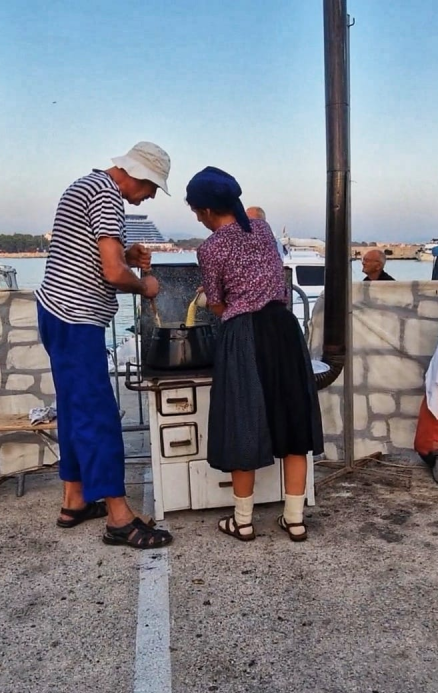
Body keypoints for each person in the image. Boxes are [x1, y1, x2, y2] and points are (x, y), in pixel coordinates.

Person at [37, 141, 174, 550]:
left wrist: (128, 252)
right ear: (137, 175)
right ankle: (118, 517)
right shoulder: (108, 196)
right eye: (152, 187)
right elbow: (113, 273)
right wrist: (144, 283)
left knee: (76, 409)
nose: (149, 196)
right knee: (97, 414)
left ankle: (75, 501)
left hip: (55, 310)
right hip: (76, 316)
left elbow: (95, 253)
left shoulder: (86, 185)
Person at [189, 167, 324, 542]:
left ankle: (243, 521)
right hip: (282, 328)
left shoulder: (210, 248)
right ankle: (294, 519)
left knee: (242, 422)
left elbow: (216, 306)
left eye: (197, 212)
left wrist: (213, 296)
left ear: (207, 211)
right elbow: (257, 228)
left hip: (243, 335)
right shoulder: (261, 229)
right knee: (294, 419)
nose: (197, 219)